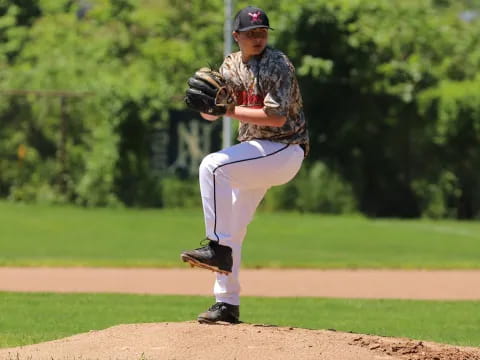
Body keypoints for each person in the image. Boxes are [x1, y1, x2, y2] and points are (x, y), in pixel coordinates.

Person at [181, 5, 309, 324]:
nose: (257, 37)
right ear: (236, 36)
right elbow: (216, 108)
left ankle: (216, 247)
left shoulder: (277, 63)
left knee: (212, 166)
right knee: (234, 229)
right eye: (251, 33)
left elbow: (276, 117)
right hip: (257, 152)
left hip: (285, 148)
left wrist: (226, 111)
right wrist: (207, 106)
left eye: (262, 32)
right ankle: (226, 304)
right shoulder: (231, 64)